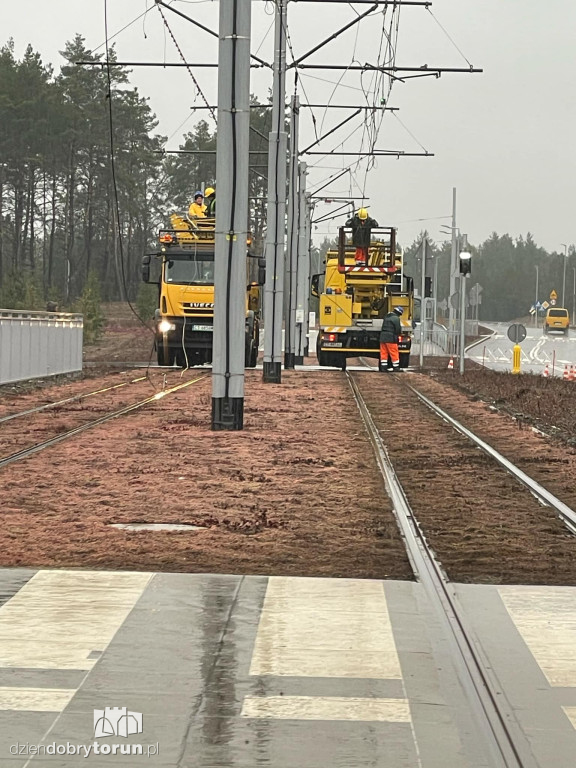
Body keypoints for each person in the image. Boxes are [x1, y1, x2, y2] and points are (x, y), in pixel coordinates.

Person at [379, 306, 404, 372]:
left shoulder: (386, 316)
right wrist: (399, 334)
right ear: (399, 313)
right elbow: (398, 329)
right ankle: (396, 367)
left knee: (384, 353)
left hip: (382, 337)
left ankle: (383, 368)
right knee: (394, 352)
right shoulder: (396, 318)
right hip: (390, 338)